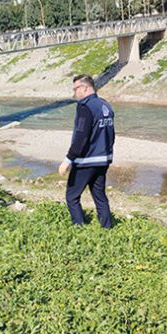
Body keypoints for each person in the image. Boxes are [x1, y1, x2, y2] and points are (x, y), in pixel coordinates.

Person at [58, 74, 115, 229]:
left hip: (86, 161)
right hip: (103, 160)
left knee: (72, 196)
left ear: (85, 88)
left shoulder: (85, 106)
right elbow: (111, 134)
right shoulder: (105, 105)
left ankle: (79, 228)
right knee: (100, 196)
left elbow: (81, 136)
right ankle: (107, 228)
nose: (74, 93)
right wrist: (108, 155)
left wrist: (68, 160)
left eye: (76, 89)